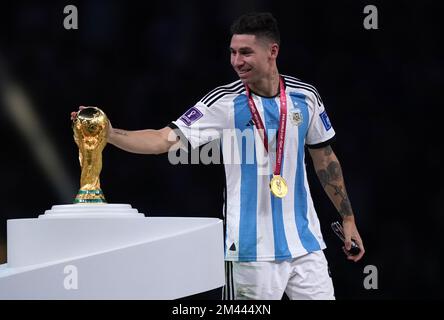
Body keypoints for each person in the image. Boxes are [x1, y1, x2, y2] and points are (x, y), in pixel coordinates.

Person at [71, 12, 365, 300]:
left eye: (246, 52)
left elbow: (325, 158)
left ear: (272, 51)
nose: (237, 61)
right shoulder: (223, 101)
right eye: (233, 52)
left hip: (307, 245)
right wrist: (110, 133)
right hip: (251, 253)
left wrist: (348, 218)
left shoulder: (306, 97)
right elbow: (163, 139)